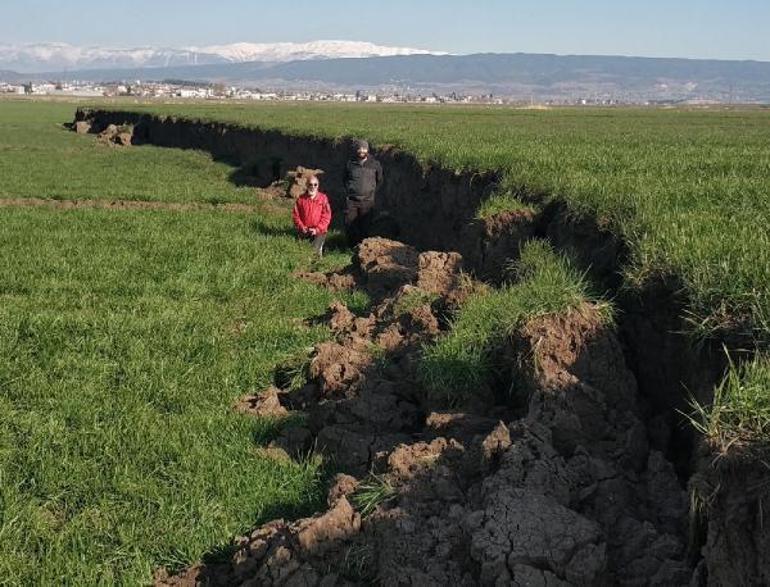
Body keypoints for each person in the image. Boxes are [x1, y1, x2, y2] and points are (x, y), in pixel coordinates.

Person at [343, 139, 383, 245]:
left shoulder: (375, 164)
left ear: (367, 150)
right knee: (350, 223)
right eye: (359, 148)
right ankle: (351, 247)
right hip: (352, 200)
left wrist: (371, 192)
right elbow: (345, 179)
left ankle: (363, 247)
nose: (362, 151)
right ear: (356, 149)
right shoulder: (350, 164)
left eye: (364, 148)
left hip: (367, 201)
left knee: (365, 226)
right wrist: (350, 190)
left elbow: (379, 180)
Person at [292, 175, 331, 256]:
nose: (313, 187)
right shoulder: (301, 199)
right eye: (310, 184)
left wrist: (317, 229)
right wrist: (301, 227)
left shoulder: (323, 198)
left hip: (319, 231)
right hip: (304, 230)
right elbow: (296, 216)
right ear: (306, 185)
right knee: (300, 251)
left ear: (318, 186)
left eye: (315, 184)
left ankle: (321, 252)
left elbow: (326, 217)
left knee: (314, 252)